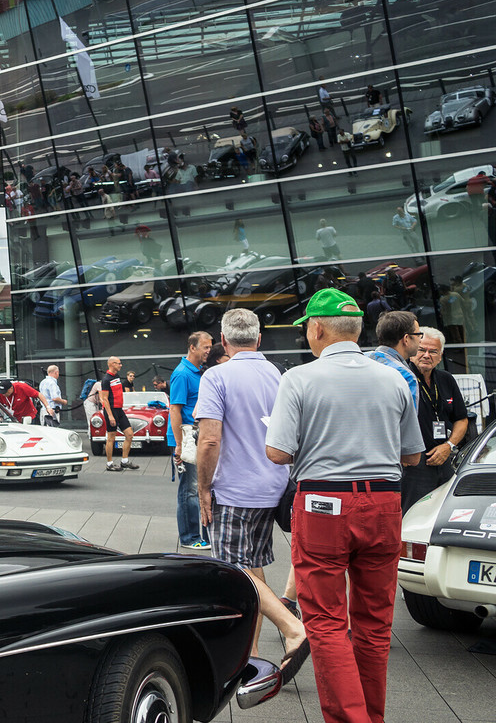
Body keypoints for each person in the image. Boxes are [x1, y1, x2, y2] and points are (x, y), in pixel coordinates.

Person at [265, 289, 424, 723]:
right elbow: (412, 456)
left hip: (323, 504)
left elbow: (277, 453)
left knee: (326, 622)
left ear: (317, 328)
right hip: (384, 501)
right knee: (374, 625)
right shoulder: (394, 378)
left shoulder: (299, 378)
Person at [195, 310, 306, 663]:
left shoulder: (217, 376)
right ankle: (251, 654)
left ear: (223, 341)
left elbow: (209, 440)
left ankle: (293, 628)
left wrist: (203, 488)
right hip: (272, 485)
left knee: (234, 571)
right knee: (253, 568)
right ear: (259, 340)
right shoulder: (276, 373)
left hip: (234, 490)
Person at [404, 327, 468, 512]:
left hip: (444, 458)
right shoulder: (403, 379)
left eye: (433, 351)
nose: (426, 355)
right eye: (422, 350)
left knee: (444, 511)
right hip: (414, 464)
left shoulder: (446, 379)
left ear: (440, 356)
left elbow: (461, 419)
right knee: (413, 514)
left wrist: (449, 446)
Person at [169, 331, 213, 550]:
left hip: (196, 437)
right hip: (187, 440)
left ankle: (202, 534)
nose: (208, 351)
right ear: (192, 347)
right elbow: (174, 409)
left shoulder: (198, 372)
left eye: (210, 347)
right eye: (205, 347)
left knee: (199, 488)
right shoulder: (182, 374)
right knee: (189, 490)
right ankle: (190, 537)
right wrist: (178, 445)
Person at [365, 310, 421, 408]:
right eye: (418, 334)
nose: (420, 339)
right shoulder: (405, 376)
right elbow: (409, 421)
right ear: (406, 339)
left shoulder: (359, 359)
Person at [100, 357, 135, 471]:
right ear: (112, 364)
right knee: (111, 437)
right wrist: (110, 415)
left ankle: (124, 461)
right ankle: (109, 464)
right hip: (111, 410)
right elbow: (104, 399)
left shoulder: (117, 377)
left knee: (129, 434)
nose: (121, 365)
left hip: (119, 410)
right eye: (119, 363)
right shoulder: (106, 379)